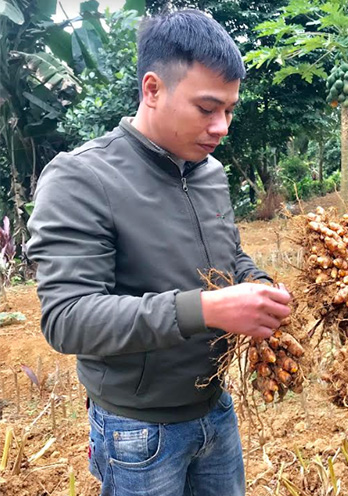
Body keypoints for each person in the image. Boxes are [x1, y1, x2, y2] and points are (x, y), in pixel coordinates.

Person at [26, 9, 291, 496]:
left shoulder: (210, 173)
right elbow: (68, 318)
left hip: (215, 410)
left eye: (229, 110)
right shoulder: (82, 178)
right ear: (152, 89)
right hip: (138, 433)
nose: (222, 127)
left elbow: (229, 259)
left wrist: (260, 285)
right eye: (207, 108)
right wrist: (208, 309)